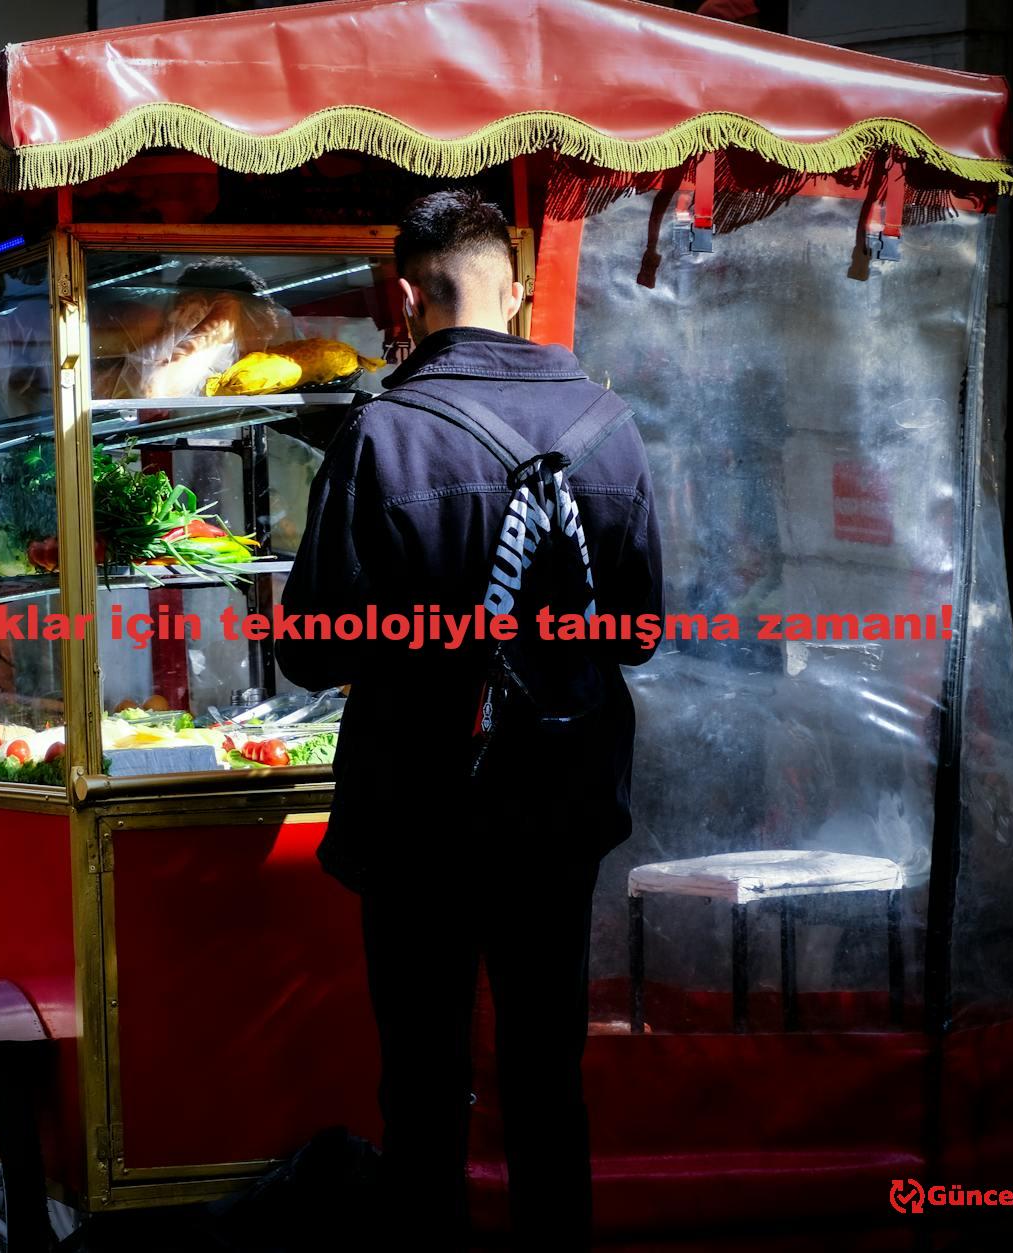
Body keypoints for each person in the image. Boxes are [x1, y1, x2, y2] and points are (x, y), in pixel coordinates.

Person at [276, 189, 663, 1247]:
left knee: (423, 1081)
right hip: (560, 809)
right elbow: (635, 632)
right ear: (518, 287)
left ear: (401, 298)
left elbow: (310, 646)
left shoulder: (378, 436)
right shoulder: (610, 427)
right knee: (547, 1075)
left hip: (418, 819)